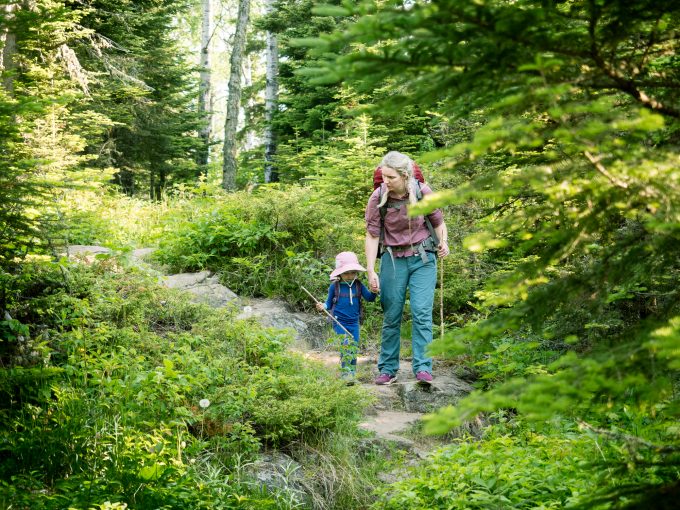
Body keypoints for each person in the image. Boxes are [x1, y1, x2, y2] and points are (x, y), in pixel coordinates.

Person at [365, 151, 449, 385]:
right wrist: (371, 270)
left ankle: (423, 367)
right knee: (391, 315)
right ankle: (388, 369)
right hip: (392, 259)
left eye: (390, 177)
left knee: (422, 313)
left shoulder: (423, 192)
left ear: (404, 175)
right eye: (383, 177)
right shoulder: (378, 196)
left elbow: (438, 222)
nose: (386, 181)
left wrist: (444, 243)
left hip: (422, 258)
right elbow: (372, 235)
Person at [316, 251, 377, 384]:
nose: (350, 276)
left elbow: (370, 299)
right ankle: (346, 374)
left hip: (354, 322)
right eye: (346, 273)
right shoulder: (335, 287)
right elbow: (328, 302)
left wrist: (374, 291)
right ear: (340, 273)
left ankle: (352, 374)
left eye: (353, 272)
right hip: (339, 321)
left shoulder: (359, 285)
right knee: (346, 345)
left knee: (353, 347)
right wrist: (323, 306)